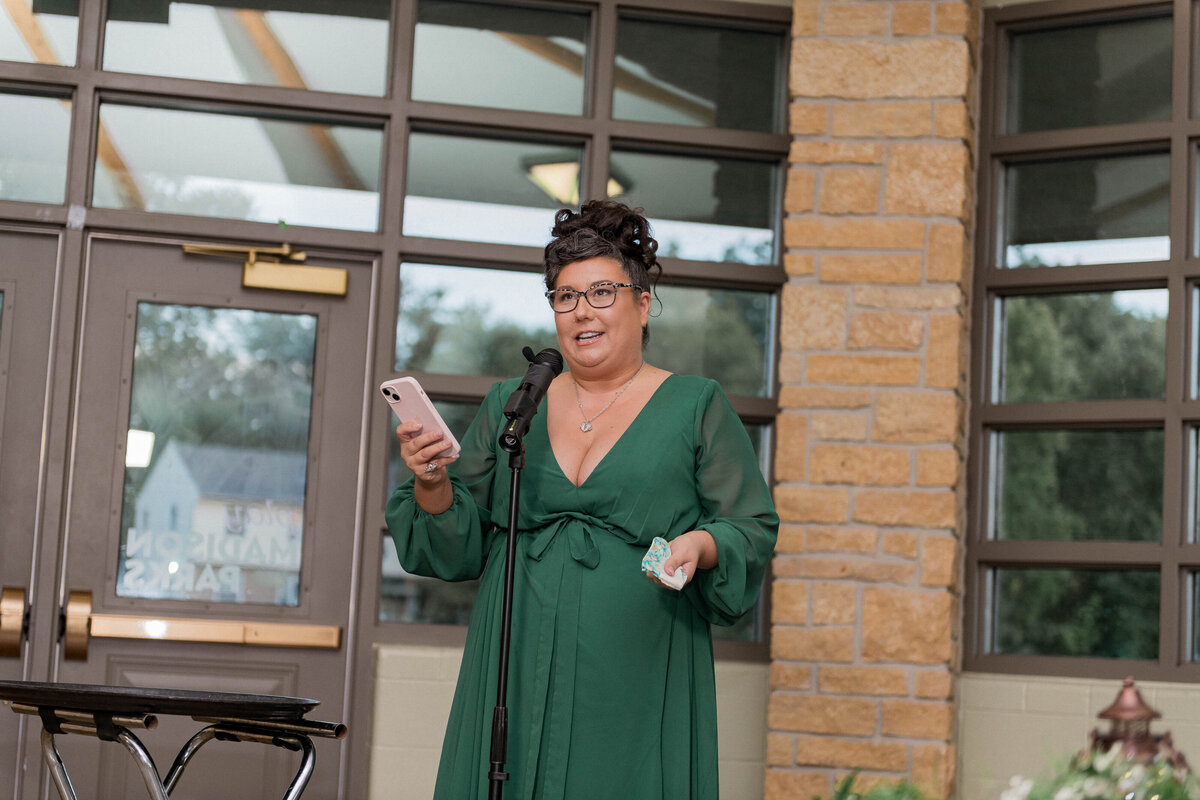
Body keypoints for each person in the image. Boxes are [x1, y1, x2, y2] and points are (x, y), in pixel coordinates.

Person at [386, 199, 778, 799]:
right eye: (565, 297)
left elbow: (749, 524)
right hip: (514, 649)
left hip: (639, 654)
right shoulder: (516, 403)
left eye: (601, 292)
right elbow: (456, 546)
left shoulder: (696, 404)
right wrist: (433, 482)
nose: (581, 312)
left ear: (642, 304)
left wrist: (701, 543)